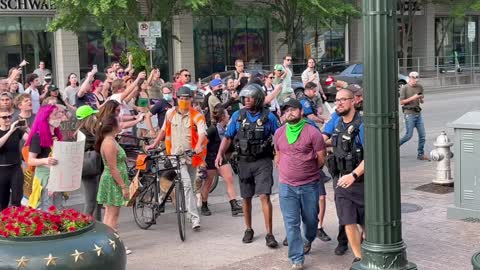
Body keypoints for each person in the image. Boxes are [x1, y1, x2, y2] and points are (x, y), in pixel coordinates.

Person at [215, 83, 280, 248]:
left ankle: (269, 233)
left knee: (264, 196)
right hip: (244, 161)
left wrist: (280, 156)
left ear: (257, 99)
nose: (246, 100)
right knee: (246, 197)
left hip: (263, 161)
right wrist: (219, 153)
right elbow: (228, 137)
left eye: (249, 97)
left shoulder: (269, 117)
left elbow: (279, 137)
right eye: (244, 98)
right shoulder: (237, 115)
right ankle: (248, 229)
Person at [273, 98, 326, 270]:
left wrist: (306, 171)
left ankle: (307, 239)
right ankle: (296, 258)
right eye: (286, 110)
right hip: (286, 186)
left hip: (309, 184)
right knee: (291, 223)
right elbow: (278, 154)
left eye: (293, 109)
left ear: (301, 111)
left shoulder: (313, 132)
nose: (289, 112)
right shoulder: (279, 133)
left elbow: (321, 159)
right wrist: (284, 169)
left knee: (311, 220)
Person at [146, 86, 207, 231]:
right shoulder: (170, 113)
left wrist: (198, 145)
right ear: (177, 98)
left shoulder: (197, 115)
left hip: (191, 155)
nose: (184, 101)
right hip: (175, 155)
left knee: (191, 185)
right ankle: (194, 218)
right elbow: (163, 131)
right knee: (186, 185)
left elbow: (202, 132)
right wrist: (154, 144)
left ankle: (188, 212)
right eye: (181, 98)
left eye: (186, 98)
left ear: (191, 99)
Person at [322, 83, 364, 256]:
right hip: (341, 180)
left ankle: (366, 250)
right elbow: (323, 138)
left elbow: (372, 157)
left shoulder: (362, 125)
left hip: (361, 180)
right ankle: (358, 257)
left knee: (366, 223)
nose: (338, 103)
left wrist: (354, 175)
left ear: (353, 101)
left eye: (343, 100)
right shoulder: (336, 122)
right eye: (336, 100)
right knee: (347, 220)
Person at [95, 115, 131, 254]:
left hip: (114, 179)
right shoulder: (109, 143)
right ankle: (111, 244)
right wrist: (123, 186)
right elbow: (112, 167)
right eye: (119, 122)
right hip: (113, 181)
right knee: (112, 215)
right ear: (113, 126)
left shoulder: (111, 140)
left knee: (110, 214)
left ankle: (108, 242)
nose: (121, 123)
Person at [200, 104, 243, 216]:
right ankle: (204, 205)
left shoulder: (226, 128)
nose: (229, 116)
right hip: (210, 158)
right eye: (227, 114)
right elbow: (202, 144)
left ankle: (234, 205)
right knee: (208, 182)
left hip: (221, 157)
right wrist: (202, 160)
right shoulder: (212, 129)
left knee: (229, 179)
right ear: (223, 116)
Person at [25, 105, 65, 210]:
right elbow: (30, 161)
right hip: (44, 179)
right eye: (55, 114)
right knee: (47, 210)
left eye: (60, 113)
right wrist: (45, 160)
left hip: (57, 177)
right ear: (46, 117)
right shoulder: (38, 136)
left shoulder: (56, 135)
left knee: (58, 209)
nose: (59, 116)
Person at [76, 105, 102, 221]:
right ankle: (86, 224)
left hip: (94, 168)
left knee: (96, 201)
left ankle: (96, 224)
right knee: (90, 201)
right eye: (93, 115)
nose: (96, 117)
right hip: (89, 169)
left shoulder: (89, 131)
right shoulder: (84, 133)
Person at [0, 108, 29, 211]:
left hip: (16, 168)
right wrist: (10, 131)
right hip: (2, 170)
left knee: (17, 199)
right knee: (2, 201)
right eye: (4, 117)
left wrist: (27, 128)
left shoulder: (17, 131)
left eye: (9, 117)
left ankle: (16, 222)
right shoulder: (12, 130)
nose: (7, 119)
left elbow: (32, 139)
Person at [399, 71, 429, 161]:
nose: (416, 81)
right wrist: (414, 97)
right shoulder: (404, 88)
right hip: (409, 113)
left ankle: (421, 154)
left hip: (418, 113)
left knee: (422, 135)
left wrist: (421, 98)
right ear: (410, 78)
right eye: (414, 79)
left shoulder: (419, 87)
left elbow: (422, 100)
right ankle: (396, 146)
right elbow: (401, 102)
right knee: (409, 135)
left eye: (417, 79)